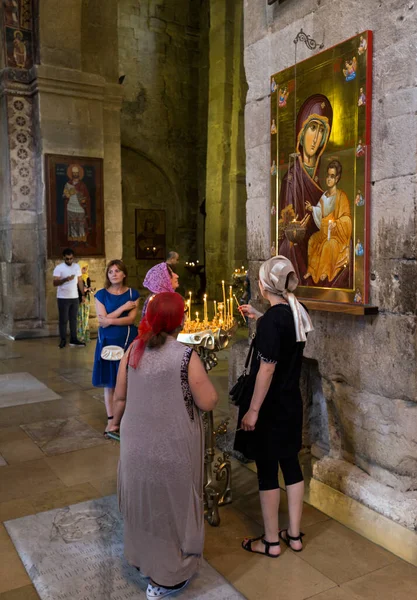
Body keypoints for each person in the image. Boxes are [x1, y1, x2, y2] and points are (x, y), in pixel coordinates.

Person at [107, 292, 218, 599]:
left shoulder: (133, 349)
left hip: (135, 443)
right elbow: (208, 402)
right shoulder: (185, 355)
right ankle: (168, 576)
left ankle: (142, 560)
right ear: (178, 320)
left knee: (143, 502)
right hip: (172, 446)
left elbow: (119, 396)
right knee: (171, 506)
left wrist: (114, 423)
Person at [235, 256, 313, 558]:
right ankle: (293, 536)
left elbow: (266, 369)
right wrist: (260, 317)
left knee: (267, 470)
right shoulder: (297, 311)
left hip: (268, 407)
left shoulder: (272, 321)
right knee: (291, 465)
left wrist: (253, 410)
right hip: (291, 401)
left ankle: (269, 542)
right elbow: (281, 334)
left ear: (264, 284)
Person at [278, 94, 333, 282]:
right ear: (301, 133)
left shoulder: (326, 174)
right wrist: (293, 230)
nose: (315, 138)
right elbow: (285, 227)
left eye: (321, 131)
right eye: (312, 128)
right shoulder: (291, 179)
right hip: (300, 250)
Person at [92, 260, 139, 434]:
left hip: (127, 340)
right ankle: (111, 418)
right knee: (110, 382)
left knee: (127, 379)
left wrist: (110, 320)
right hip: (108, 342)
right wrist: (123, 308)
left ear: (124, 274)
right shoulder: (101, 295)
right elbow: (102, 321)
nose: (114, 274)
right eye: (110, 271)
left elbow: (131, 319)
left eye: (117, 271)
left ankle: (127, 416)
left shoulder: (133, 294)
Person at [304, 160, 352, 284]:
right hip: (324, 232)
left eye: (332, 176)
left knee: (328, 245)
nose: (329, 179)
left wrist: (337, 223)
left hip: (336, 236)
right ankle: (312, 270)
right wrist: (312, 209)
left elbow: (347, 219)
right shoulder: (324, 195)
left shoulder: (341, 196)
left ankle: (325, 271)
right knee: (312, 240)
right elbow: (320, 211)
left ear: (337, 178)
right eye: (328, 176)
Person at [53, 248, 86, 349]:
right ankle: (63, 340)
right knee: (63, 320)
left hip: (74, 297)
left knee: (73, 319)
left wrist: (82, 294)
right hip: (63, 297)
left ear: (73, 258)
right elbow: (55, 283)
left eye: (71, 259)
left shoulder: (76, 266)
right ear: (63, 258)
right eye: (67, 259)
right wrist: (65, 279)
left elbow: (80, 281)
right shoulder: (59, 268)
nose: (69, 261)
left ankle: (73, 339)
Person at [63, 164, 91, 244]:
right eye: (74, 173)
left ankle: (82, 238)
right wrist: (68, 194)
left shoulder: (82, 185)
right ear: (71, 174)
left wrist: (83, 199)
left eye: (76, 173)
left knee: (81, 223)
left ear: (79, 174)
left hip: (80, 207)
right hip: (70, 206)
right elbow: (64, 195)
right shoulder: (68, 184)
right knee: (72, 223)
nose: (75, 175)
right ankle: (74, 239)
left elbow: (86, 196)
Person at [77, 261, 93, 343]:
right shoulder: (77, 278)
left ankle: (86, 336)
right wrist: (83, 293)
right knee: (80, 318)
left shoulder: (87, 277)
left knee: (86, 317)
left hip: (87, 299)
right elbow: (77, 289)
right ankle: (80, 336)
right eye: (83, 268)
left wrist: (90, 290)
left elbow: (89, 287)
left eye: (86, 268)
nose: (85, 270)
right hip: (80, 299)